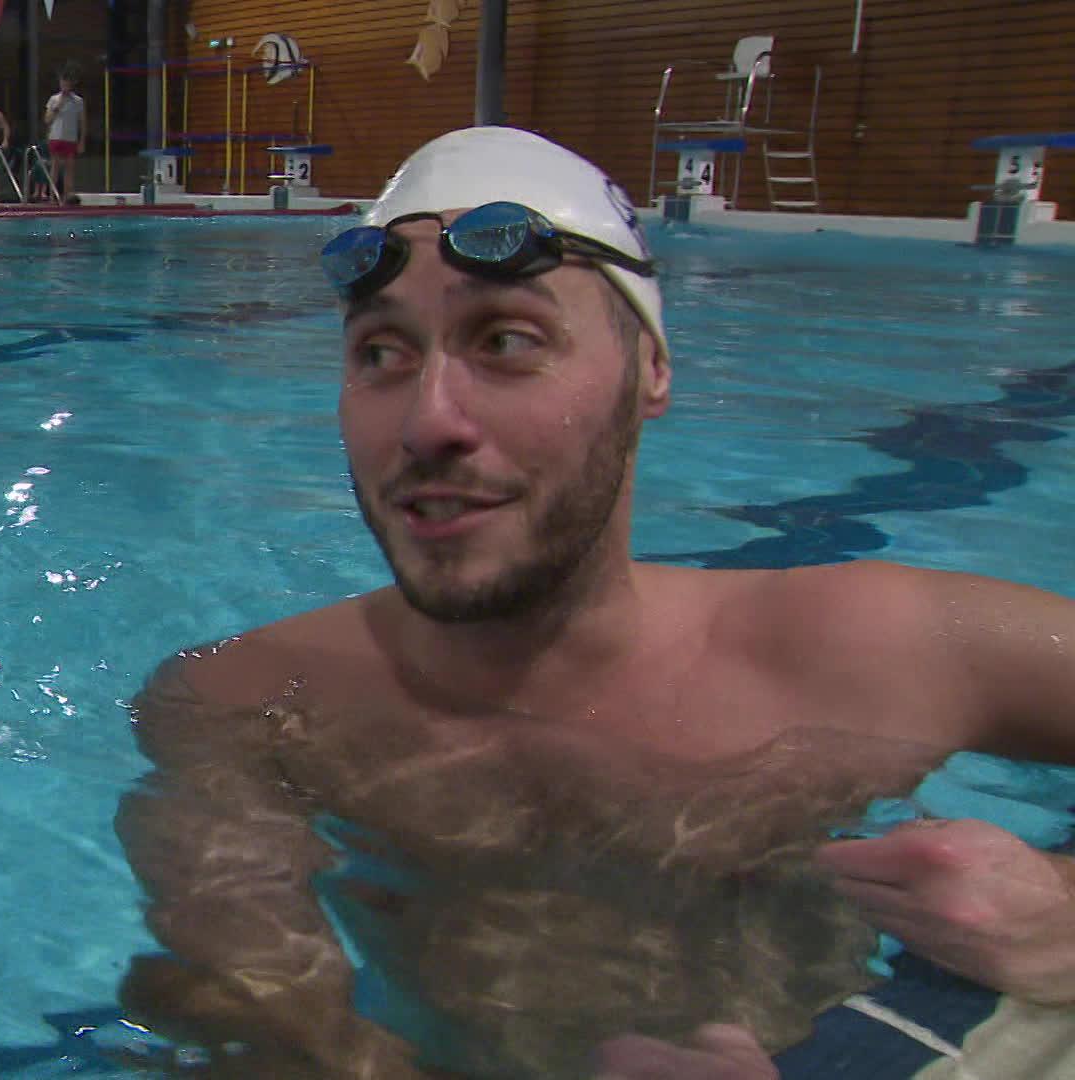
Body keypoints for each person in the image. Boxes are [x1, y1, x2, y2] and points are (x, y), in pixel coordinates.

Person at [114, 126, 1075, 1079]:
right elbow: (263, 1029)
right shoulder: (242, 707)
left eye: (507, 340)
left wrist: (1064, 912)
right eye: (382, 353)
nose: (428, 421)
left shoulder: (882, 645)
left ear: (651, 371)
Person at [42, 64, 86, 204]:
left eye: (67, 83)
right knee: (55, 166)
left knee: (69, 167)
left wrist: (82, 141)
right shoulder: (54, 99)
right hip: (56, 137)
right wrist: (58, 106)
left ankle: (67, 195)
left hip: (70, 138)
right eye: (62, 83)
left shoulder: (78, 101)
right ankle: (52, 196)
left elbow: (83, 122)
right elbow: (47, 120)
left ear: (70, 84)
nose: (64, 86)